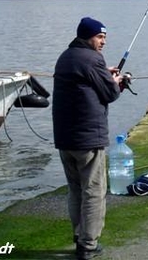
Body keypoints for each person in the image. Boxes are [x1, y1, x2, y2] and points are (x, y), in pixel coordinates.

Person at [52, 17, 123, 260]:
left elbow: (88, 79)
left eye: (104, 37)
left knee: (75, 189)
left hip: (65, 137)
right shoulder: (92, 59)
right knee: (93, 191)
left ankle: (78, 235)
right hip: (87, 139)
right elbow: (111, 93)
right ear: (87, 36)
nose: (103, 42)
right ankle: (88, 245)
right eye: (99, 37)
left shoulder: (66, 56)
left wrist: (104, 73)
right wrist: (115, 81)